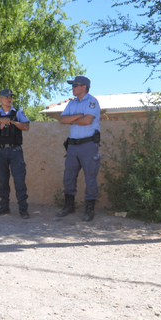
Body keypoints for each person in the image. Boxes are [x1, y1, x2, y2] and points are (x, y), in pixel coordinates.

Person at [57, 75, 101, 222]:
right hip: (72, 146)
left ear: (84, 87)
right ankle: (69, 205)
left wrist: (73, 119)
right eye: (73, 85)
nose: (73, 87)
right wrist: (78, 116)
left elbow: (88, 120)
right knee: (68, 176)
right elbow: (62, 120)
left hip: (88, 145)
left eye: (75, 85)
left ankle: (89, 208)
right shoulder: (72, 104)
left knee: (90, 177)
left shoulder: (92, 102)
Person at [0, 89, 30, 219]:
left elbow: (26, 127)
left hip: (15, 151)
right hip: (0, 152)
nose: (9, 99)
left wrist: (11, 122)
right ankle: (4, 207)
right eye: (6, 97)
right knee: (2, 181)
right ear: (0, 99)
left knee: (19, 180)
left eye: (11, 97)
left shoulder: (18, 112)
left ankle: (23, 209)